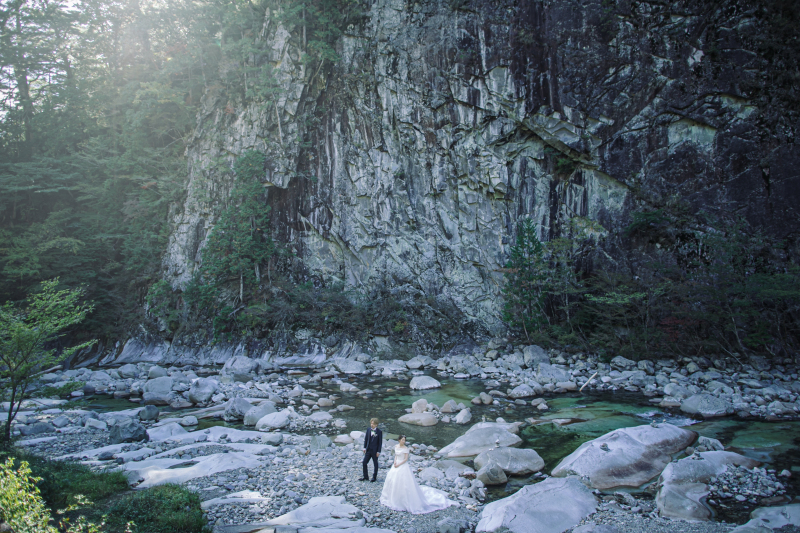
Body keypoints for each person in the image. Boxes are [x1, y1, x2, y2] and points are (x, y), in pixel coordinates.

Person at [379, 435, 458, 514]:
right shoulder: (396, 446)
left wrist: (399, 464)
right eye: (402, 440)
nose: (403, 441)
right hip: (396, 464)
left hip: (402, 465)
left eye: (404, 440)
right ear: (399, 440)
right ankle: (393, 498)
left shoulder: (406, 449)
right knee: (393, 480)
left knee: (404, 483)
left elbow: (406, 459)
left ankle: (403, 501)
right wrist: (395, 462)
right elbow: (396, 455)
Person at [362, 417, 382, 482]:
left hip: (375, 451)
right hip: (368, 449)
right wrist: (364, 448)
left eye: (373, 424)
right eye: (371, 423)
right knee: (364, 462)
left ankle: (374, 477)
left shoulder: (379, 432)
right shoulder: (368, 430)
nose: (371, 425)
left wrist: (378, 451)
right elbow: (366, 439)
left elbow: (380, 443)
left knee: (375, 464)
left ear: (376, 424)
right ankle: (365, 477)